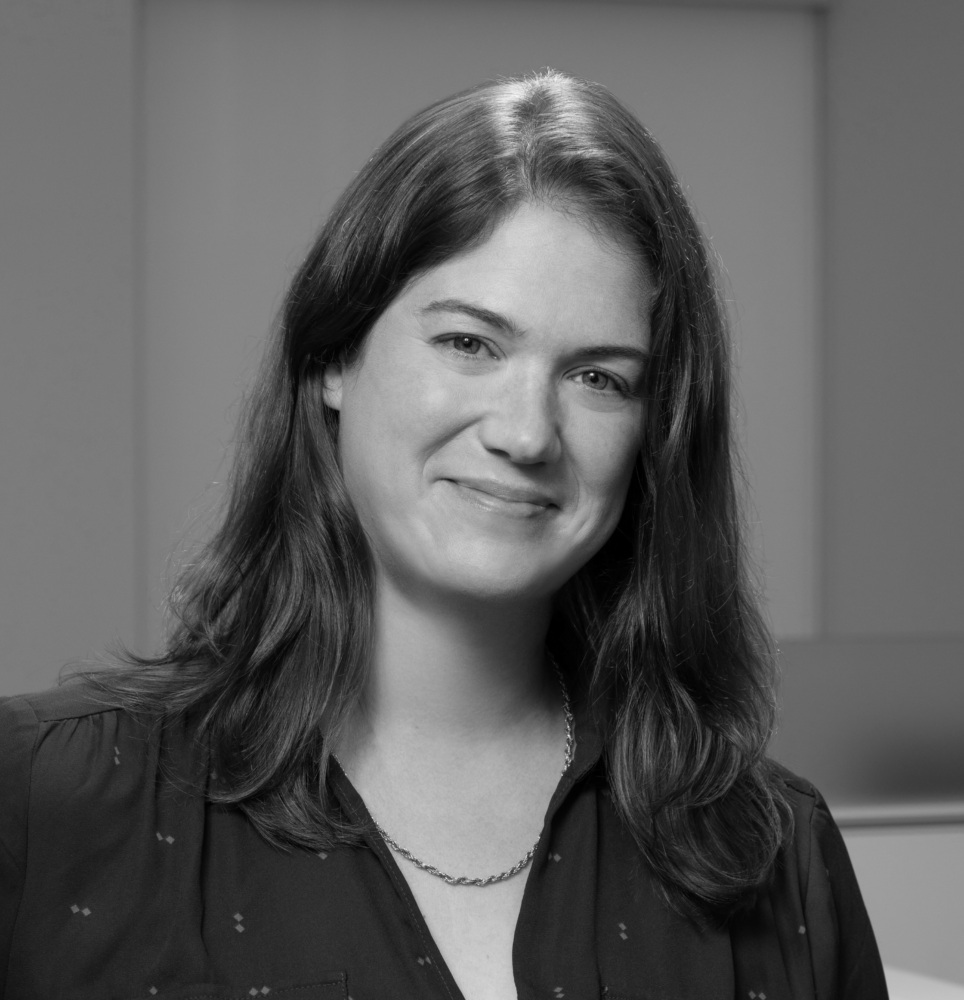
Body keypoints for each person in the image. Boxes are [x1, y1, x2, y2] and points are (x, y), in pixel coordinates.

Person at [0, 71, 887, 1000]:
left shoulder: (774, 850)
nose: (526, 432)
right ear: (334, 358)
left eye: (599, 378)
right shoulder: (47, 802)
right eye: (470, 343)